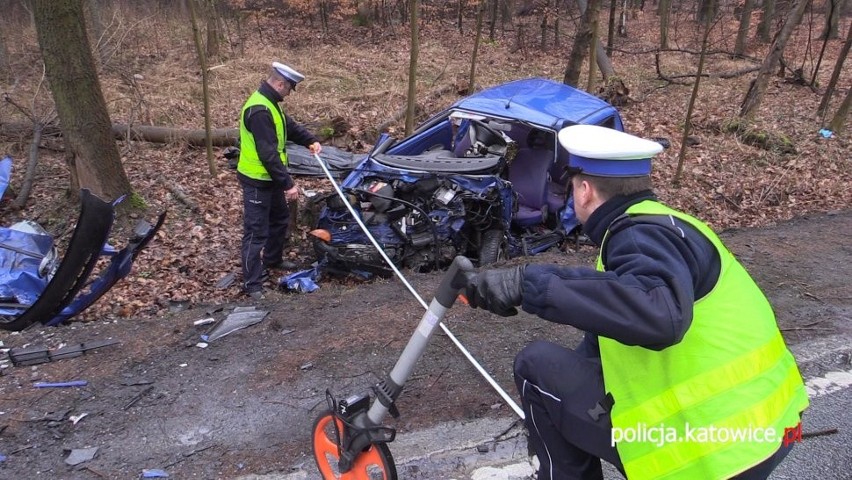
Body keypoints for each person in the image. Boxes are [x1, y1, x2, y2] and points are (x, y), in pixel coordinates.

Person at [463, 125, 809, 480]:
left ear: (583, 191)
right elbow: (607, 335)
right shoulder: (672, 226)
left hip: (712, 447)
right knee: (564, 374)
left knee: (535, 366)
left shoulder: (638, 237)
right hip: (770, 427)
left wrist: (529, 284)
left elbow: (660, 315)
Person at [237, 62, 322, 299]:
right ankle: (252, 284)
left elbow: (290, 128)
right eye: (289, 88)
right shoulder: (259, 110)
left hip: (270, 178)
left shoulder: (270, 104)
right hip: (257, 180)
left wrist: (310, 140)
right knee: (255, 232)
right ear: (279, 83)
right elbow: (268, 154)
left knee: (280, 219)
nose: (289, 93)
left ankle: (273, 260)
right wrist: (288, 184)